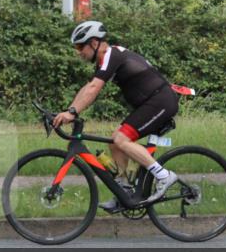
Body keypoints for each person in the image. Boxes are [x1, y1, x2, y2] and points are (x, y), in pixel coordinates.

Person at [52, 21, 179, 212]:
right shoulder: (105, 60)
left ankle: (164, 176)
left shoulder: (113, 54)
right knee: (114, 141)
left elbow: (94, 88)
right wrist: (69, 110)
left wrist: (72, 113)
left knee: (121, 139)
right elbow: (88, 87)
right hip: (151, 103)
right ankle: (124, 191)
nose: (78, 52)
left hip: (160, 101)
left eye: (80, 46)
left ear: (94, 43)